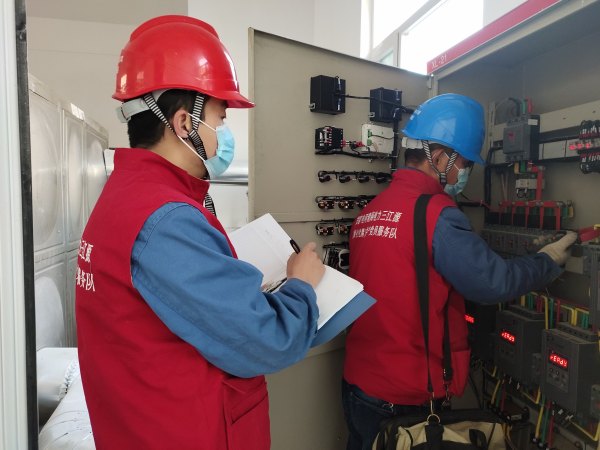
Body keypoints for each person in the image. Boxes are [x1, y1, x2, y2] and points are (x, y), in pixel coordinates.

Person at [75, 15, 324, 450]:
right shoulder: (166, 218)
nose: (222, 134)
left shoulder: (128, 195)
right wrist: (300, 284)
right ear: (183, 123)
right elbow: (268, 340)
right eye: (219, 119)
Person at [341, 93, 577, 450]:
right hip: (404, 395)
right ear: (439, 157)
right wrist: (546, 261)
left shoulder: (371, 211)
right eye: (465, 162)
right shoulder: (436, 214)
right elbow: (492, 282)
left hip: (359, 383)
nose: (465, 172)